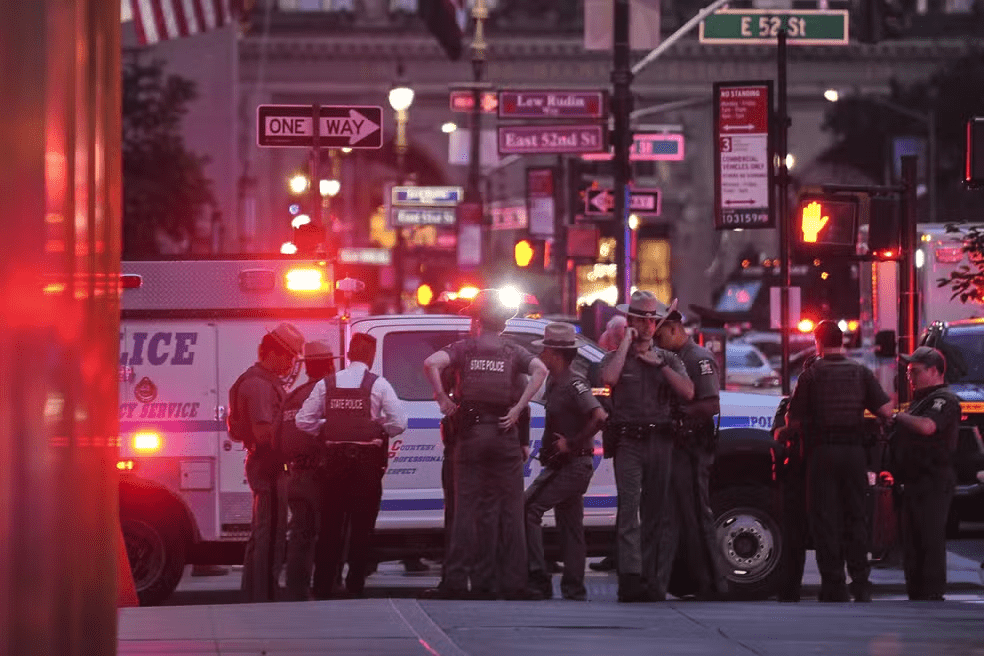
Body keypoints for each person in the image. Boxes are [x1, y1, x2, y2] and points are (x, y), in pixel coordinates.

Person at [422, 289, 549, 599]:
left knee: (465, 510)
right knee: (510, 510)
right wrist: (518, 409)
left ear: (477, 320)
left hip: (471, 437)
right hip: (505, 436)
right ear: (503, 324)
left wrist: (441, 398)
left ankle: (456, 582)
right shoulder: (513, 352)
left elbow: (431, 363)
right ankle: (513, 584)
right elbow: (541, 371)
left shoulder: (464, 349)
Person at [786, 320, 893, 602]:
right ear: (842, 341)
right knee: (856, 517)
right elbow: (885, 410)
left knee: (825, 519)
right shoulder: (860, 372)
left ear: (817, 342)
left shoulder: (811, 375)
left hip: (823, 454)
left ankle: (833, 586)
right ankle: (860, 583)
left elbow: (793, 420)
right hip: (855, 454)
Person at [296, 332, 408, 598]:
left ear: (348, 354)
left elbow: (303, 421)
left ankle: (322, 585)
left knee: (330, 527)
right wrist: (379, 426)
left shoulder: (326, 384)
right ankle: (355, 584)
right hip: (366, 465)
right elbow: (400, 423)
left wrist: (326, 427)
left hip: (333, 465)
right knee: (361, 527)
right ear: (371, 356)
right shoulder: (379, 385)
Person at [599, 290, 694, 602]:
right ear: (631, 321)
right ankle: (630, 578)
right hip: (629, 440)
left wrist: (658, 366)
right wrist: (626, 343)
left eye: (653, 320)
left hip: (660, 439)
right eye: (642, 319)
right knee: (628, 511)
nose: (649, 326)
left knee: (656, 512)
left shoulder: (668, 358)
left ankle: (652, 580)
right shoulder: (617, 357)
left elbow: (688, 392)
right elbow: (609, 378)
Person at [525, 323, 608, 601]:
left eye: (546, 350)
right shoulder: (555, 381)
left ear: (556, 354)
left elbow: (599, 417)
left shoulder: (574, 383)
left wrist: (571, 443)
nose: (542, 355)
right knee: (570, 526)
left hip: (573, 465)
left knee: (528, 509)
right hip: (567, 465)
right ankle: (574, 588)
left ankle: (538, 578)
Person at [653, 303, 728, 600]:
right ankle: (665, 582)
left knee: (699, 514)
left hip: (693, 448)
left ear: (674, 329)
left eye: (660, 337)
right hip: (675, 446)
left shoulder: (698, 358)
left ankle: (714, 582)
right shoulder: (672, 358)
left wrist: (680, 416)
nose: (657, 343)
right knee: (670, 517)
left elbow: (711, 405)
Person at [229, 322, 304, 603]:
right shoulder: (259, 385)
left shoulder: (260, 381)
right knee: (271, 534)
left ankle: (255, 593)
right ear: (272, 353)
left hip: (266, 465)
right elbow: (263, 433)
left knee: (264, 532)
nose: (290, 363)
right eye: (289, 357)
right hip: (270, 465)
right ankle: (266, 596)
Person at [882, 346, 961, 601]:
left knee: (929, 540)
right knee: (913, 544)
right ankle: (917, 593)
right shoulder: (920, 401)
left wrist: (900, 417)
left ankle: (931, 595)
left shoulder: (944, 400)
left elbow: (928, 427)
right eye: (908, 372)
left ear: (934, 371)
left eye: (915, 371)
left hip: (933, 481)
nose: (910, 377)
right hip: (913, 482)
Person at [280, 340, 335, 601]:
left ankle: (296, 591)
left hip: (296, 476)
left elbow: (276, 440)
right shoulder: (328, 393)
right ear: (329, 364)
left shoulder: (292, 395)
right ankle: (325, 590)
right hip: (321, 477)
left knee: (300, 536)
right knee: (327, 536)